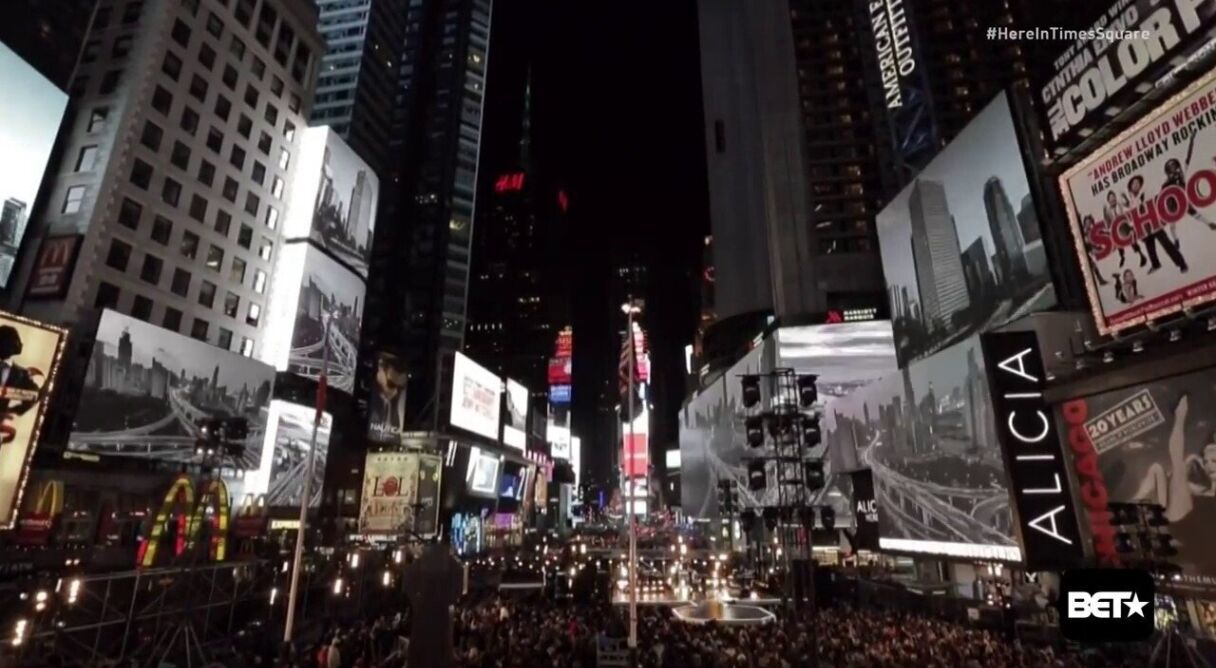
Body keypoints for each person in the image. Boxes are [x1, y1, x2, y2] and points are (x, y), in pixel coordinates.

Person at [1131, 394, 1216, 575]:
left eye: (1214, 461)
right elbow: (1178, 461)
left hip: (1194, 534)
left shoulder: (1200, 494)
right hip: (1186, 525)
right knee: (1166, 467)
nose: (1209, 466)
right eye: (1207, 462)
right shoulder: (1198, 491)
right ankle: (1179, 416)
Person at [1129, 175, 1188, 274]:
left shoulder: (1147, 192)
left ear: (1140, 184)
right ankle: (1156, 264)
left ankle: (1182, 264)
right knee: (1149, 247)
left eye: (1137, 183)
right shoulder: (1132, 200)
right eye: (1133, 184)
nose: (1135, 185)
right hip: (1144, 227)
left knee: (1167, 244)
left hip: (1154, 223)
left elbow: (1155, 204)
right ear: (1130, 187)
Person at [368, 351, 407, 445]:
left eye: (400, 388)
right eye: (391, 385)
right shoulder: (372, 401)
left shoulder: (398, 406)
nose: (396, 392)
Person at [1102, 190, 1146, 268]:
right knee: (1117, 243)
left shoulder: (1119, 204)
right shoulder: (1108, 210)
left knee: (1133, 241)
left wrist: (1125, 197)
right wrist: (1104, 213)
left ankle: (1141, 255)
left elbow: (1128, 204)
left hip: (1124, 226)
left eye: (1113, 197)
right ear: (1108, 201)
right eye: (1110, 198)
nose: (1112, 199)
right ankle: (1122, 257)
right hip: (1117, 230)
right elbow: (1107, 223)